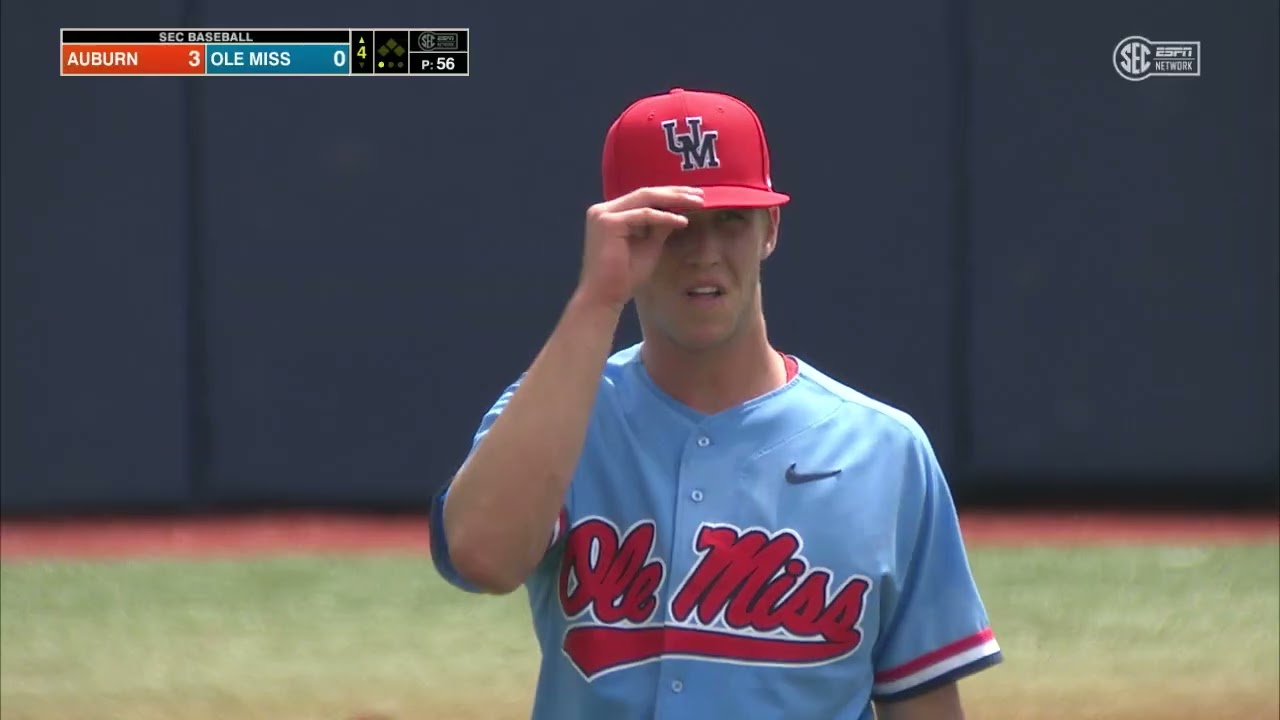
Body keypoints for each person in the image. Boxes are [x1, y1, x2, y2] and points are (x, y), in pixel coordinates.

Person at [428, 87, 1002, 719]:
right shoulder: (560, 416)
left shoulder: (885, 451)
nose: (703, 252)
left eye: (729, 219)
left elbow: (922, 705)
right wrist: (599, 297)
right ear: (615, 232)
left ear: (770, 229)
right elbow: (482, 556)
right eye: (666, 226)